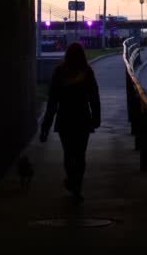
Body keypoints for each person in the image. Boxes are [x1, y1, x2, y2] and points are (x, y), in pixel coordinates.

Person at [39, 42, 101, 201]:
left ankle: (71, 179)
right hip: (83, 118)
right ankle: (77, 185)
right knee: (80, 155)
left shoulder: (59, 72)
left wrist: (45, 126)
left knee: (68, 153)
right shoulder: (87, 72)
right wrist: (96, 118)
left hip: (65, 118)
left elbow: (52, 102)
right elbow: (94, 97)